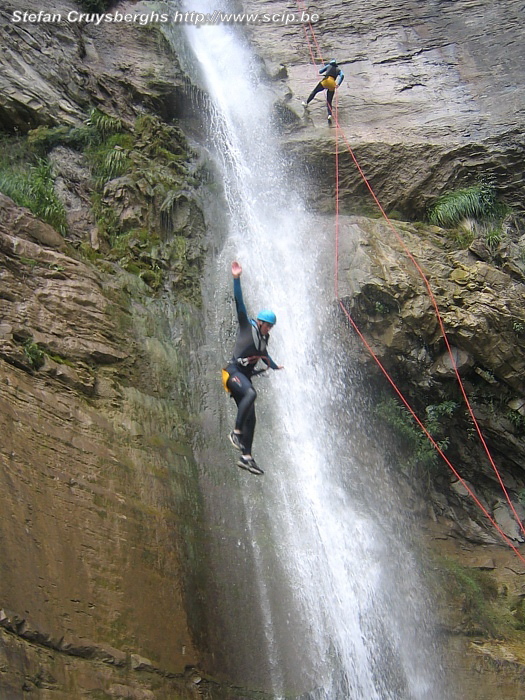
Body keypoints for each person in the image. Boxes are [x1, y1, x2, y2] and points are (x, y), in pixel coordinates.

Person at [223, 261, 283, 475]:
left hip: (244, 377)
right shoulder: (247, 326)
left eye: (271, 327)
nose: (269, 329)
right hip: (232, 373)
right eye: (268, 325)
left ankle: (246, 457)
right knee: (251, 393)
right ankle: (236, 433)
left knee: (252, 417)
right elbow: (239, 303)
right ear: (260, 322)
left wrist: (276, 367)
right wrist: (236, 278)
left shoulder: (264, 341)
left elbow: (265, 357)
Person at [302, 59, 344, 123]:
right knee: (329, 101)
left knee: (315, 91)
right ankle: (329, 115)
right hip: (332, 83)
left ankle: (306, 103)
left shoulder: (328, 66)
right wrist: (338, 84)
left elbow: (320, 71)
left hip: (326, 81)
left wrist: (325, 70)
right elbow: (342, 75)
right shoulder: (338, 70)